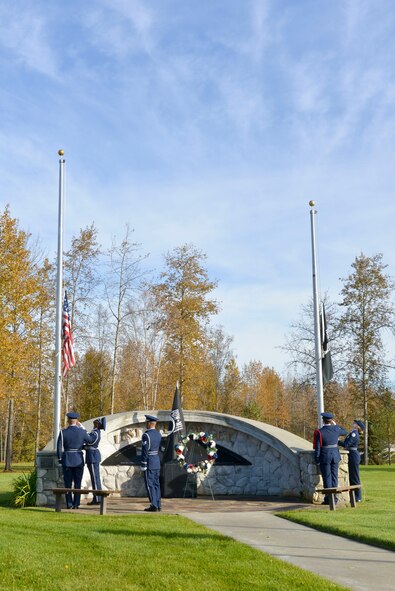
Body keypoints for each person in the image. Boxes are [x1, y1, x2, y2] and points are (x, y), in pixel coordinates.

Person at [57, 411, 96, 509]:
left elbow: (59, 447)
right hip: (78, 460)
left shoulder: (63, 432)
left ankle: (69, 504)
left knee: (68, 484)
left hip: (67, 460)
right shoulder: (82, 432)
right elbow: (91, 440)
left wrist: (60, 459)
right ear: (77, 421)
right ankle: (76, 504)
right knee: (78, 484)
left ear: (68, 421)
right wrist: (84, 429)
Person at [313, 411, 347, 505]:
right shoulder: (336, 429)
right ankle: (334, 498)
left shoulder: (319, 432)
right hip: (335, 456)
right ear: (331, 420)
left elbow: (318, 448)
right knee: (334, 477)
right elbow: (345, 431)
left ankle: (328, 499)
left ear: (323, 421)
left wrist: (317, 458)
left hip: (325, 456)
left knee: (327, 477)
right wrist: (336, 424)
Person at [340, 419, 364, 502]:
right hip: (352, 454)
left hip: (353, 455)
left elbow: (346, 444)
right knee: (352, 476)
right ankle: (354, 496)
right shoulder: (352, 433)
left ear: (357, 426)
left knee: (355, 476)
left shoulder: (354, 433)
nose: (353, 423)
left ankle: (358, 497)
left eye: (355, 423)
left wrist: (337, 441)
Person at [141, 414, 162, 512]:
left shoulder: (146, 435)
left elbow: (145, 450)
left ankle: (153, 505)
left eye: (146, 422)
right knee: (156, 484)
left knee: (150, 485)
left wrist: (143, 463)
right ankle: (158, 504)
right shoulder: (158, 434)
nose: (146, 424)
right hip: (156, 461)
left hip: (149, 462)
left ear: (149, 423)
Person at [85, 417, 106, 505]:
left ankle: (97, 499)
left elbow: (89, 442)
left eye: (97, 421)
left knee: (95, 478)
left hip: (93, 456)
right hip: (92, 456)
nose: (95, 421)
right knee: (94, 477)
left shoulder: (95, 433)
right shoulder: (94, 432)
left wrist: (84, 433)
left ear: (98, 424)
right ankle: (97, 498)